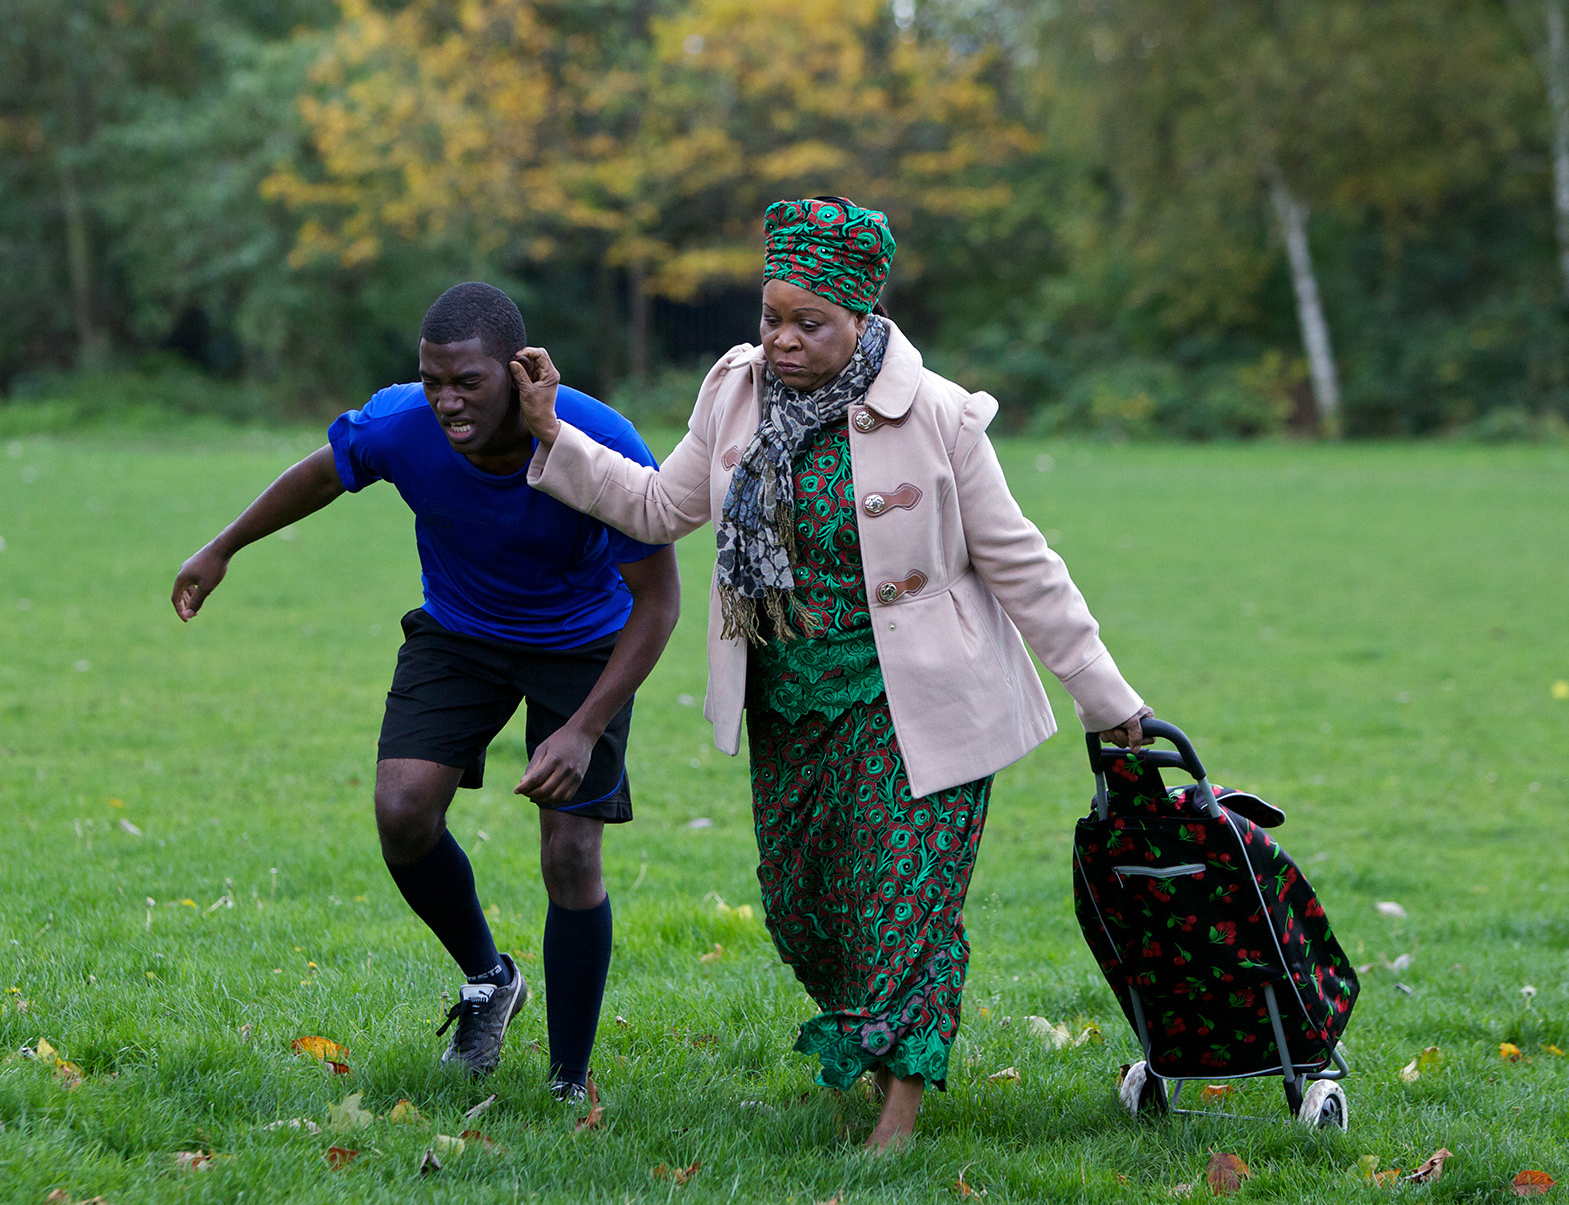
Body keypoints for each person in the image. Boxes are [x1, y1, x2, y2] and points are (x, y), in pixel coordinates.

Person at [511, 198, 1151, 1149]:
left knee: (908, 905)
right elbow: (656, 506)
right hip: (790, 705)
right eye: (772, 317)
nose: (783, 341)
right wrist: (551, 433)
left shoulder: (935, 417)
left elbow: (1022, 563)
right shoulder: (733, 393)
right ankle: (872, 1037)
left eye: (809, 323)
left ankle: (899, 1111)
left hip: (921, 708)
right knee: (806, 910)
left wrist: (1109, 700)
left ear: (861, 319)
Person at [171, 282, 680, 1103]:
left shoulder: (598, 440)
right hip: (461, 632)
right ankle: (489, 979)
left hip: (584, 643)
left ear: (518, 373)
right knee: (403, 813)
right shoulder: (403, 422)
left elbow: (660, 603)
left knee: (571, 851)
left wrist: (583, 729)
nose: (446, 401)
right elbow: (324, 472)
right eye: (432, 379)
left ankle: (568, 1078)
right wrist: (224, 545)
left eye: (467, 382)